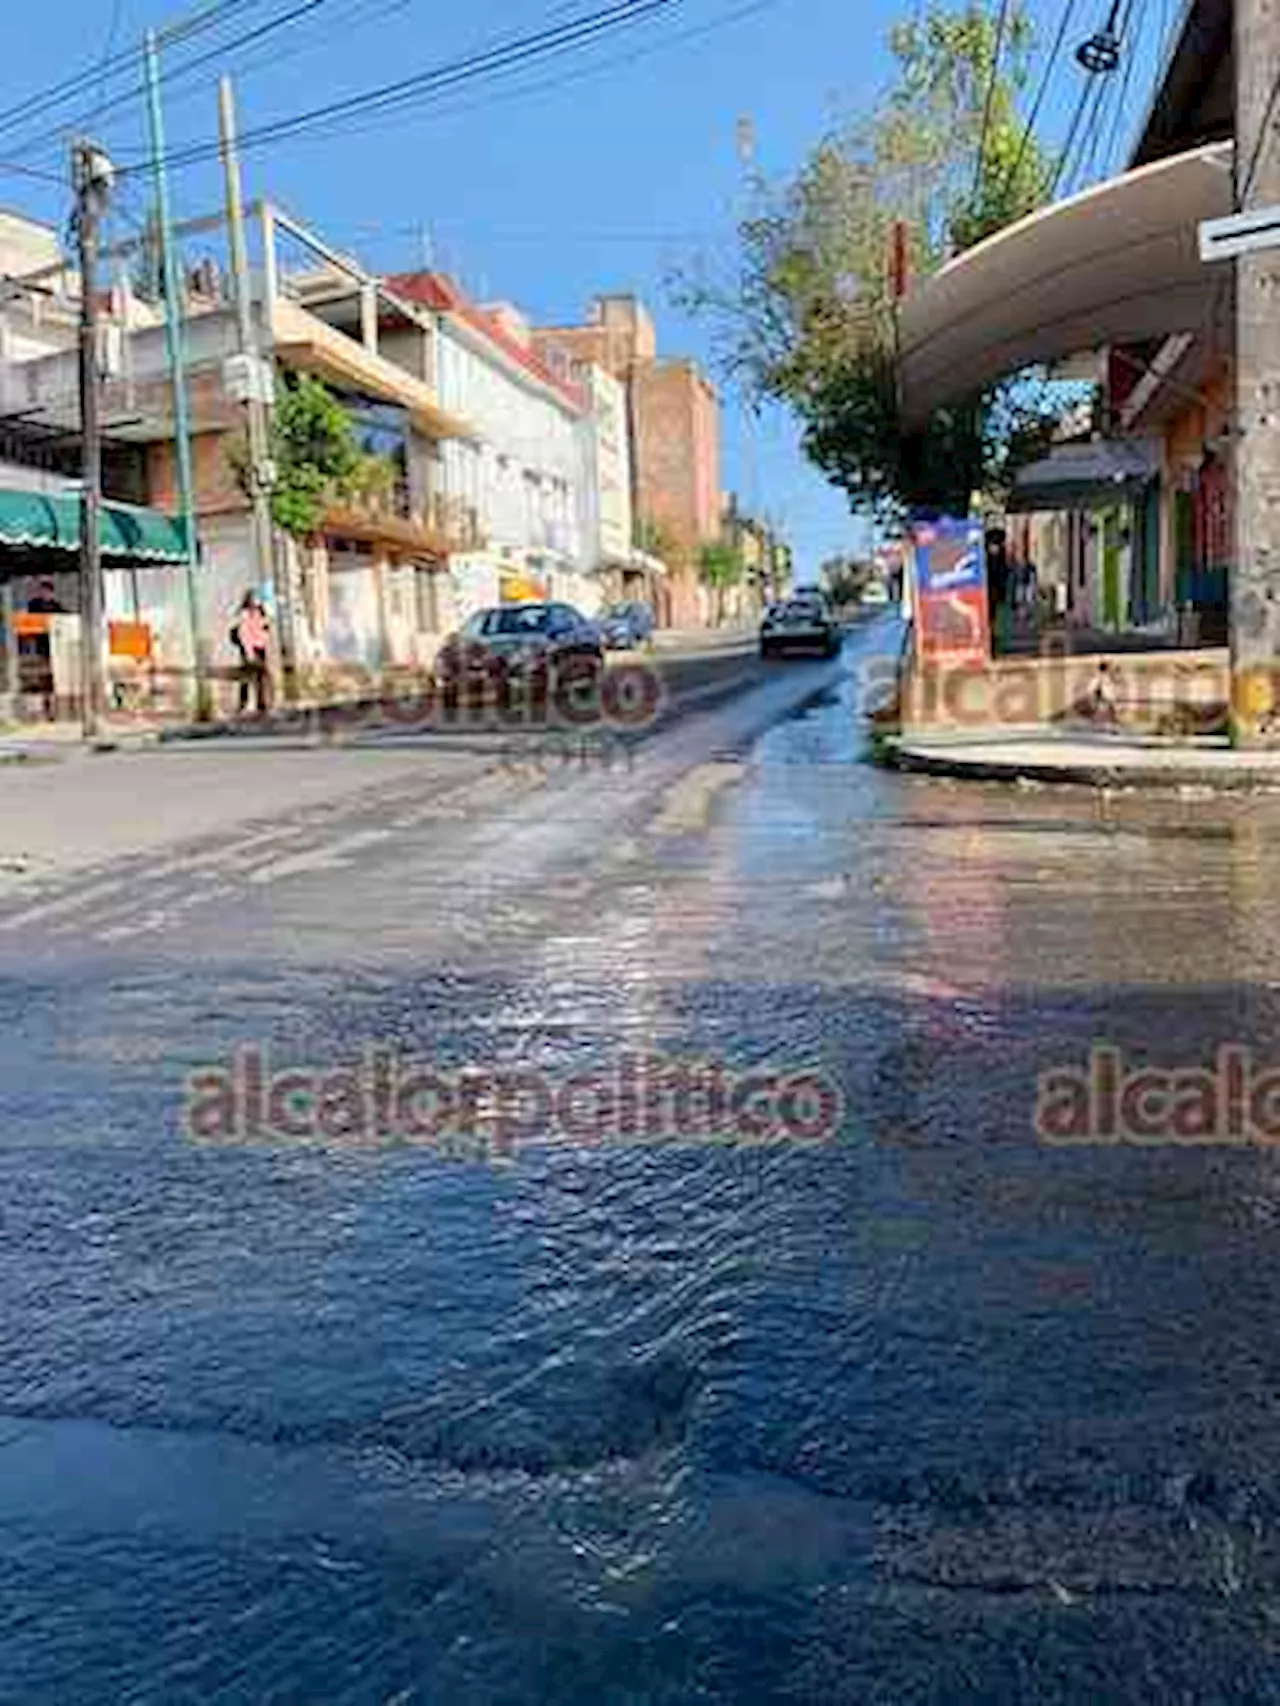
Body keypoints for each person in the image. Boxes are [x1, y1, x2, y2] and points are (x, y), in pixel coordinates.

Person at [231, 590, 271, 716]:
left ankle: (262, 703)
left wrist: (266, 624)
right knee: (246, 677)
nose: (256, 601)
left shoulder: (260, 612)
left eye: (257, 599)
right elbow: (244, 634)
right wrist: (249, 652)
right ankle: (243, 704)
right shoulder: (245, 614)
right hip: (248, 649)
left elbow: (264, 627)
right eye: (254, 599)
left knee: (261, 676)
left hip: (260, 648)